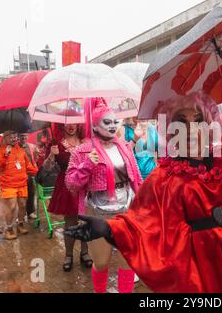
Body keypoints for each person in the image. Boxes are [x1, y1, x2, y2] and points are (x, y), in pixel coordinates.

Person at [65, 91, 222, 293]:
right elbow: (143, 221)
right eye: (182, 122)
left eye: (198, 121)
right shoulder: (164, 177)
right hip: (202, 265)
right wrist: (108, 228)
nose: (190, 129)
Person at [65, 98, 143, 293]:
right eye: (106, 122)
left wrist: (146, 203)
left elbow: (137, 178)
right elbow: (71, 184)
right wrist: (87, 166)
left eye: (115, 122)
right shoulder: (83, 150)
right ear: (95, 125)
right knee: (101, 262)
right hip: (98, 213)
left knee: (128, 261)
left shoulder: (124, 146)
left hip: (127, 212)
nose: (112, 126)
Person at [41, 121, 92, 272]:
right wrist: (52, 154)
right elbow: (46, 168)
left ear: (79, 125)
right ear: (62, 125)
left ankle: (85, 252)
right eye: (68, 123)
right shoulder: (56, 143)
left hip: (86, 185)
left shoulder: (86, 142)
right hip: (67, 187)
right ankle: (68, 255)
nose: (71, 126)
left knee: (86, 221)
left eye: (74, 123)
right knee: (70, 222)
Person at [0, 131, 38, 240]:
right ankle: (9, 229)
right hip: (8, 184)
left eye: (15, 136)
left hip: (22, 183)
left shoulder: (20, 149)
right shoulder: (0, 149)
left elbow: (28, 165)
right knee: (11, 207)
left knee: (23, 205)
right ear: (5, 137)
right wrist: (5, 154)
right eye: (11, 137)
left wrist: (37, 170)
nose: (14, 139)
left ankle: (20, 224)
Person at [19, 133, 39, 219]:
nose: (23, 137)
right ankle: (21, 214)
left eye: (25, 136)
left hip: (30, 174)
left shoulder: (32, 147)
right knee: (21, 196)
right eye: (21, 136)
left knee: (31, 193)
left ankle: (30, 212)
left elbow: (36, 159)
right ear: (19, 137)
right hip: (20, 174)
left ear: (28, 136)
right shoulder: (15, 147)